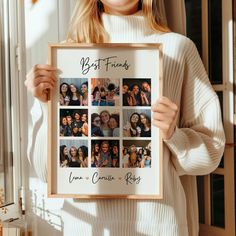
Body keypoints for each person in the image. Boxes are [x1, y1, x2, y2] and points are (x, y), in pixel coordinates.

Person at [25, 0, 225, 235]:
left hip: (160, 225)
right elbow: (47, 174)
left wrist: (174, 135)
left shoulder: (178, 48)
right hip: (87, 227)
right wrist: (48, 106)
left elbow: (211, 153)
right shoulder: (66, 58)